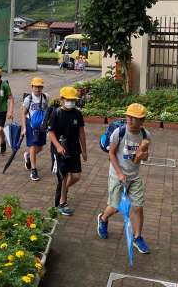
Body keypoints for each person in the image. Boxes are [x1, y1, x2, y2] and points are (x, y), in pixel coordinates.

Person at [97, 103, 151, 254]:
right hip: (117, 175)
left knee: (138, 207)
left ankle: (137, 237)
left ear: (142, 120)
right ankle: (103, 218)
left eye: (134, 118)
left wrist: (143, 156)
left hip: (134, 177)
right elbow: (111, 154)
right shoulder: (119, 132)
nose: (130, 120)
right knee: (115, 207)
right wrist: (120, 173)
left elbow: (146, 156)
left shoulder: (146, 135)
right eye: (128, 117)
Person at [48, 86, 87, 216]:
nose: (71, 102)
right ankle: (62, 203)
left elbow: (81, 133)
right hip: (60, 150)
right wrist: (58, 147)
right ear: (62, 99)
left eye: (73, 100)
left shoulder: (77, 114)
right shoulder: (56, 113)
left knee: (76, 176)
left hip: (74, 148)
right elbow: (51, 133)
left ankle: (63, 191)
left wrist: (84, 151)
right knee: (64, 176)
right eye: (68, 99)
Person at [21, 77, 49, 181]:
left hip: (41, 125)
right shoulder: (28, 99)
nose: (38, 89)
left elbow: (46, 110)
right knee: (33, 146)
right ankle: (34, 170)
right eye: (36, 87)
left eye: (40, 87)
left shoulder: (45, 97)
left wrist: (48, 124)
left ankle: (28, 156)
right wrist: (24, 128)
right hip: (31, 125)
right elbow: (23, 113)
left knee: (40, 148)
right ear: (32, 87)